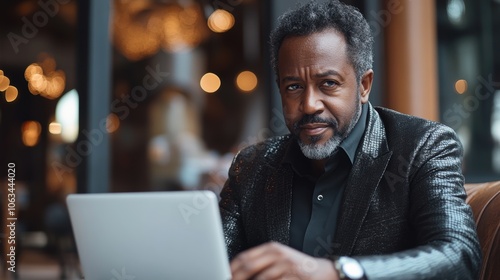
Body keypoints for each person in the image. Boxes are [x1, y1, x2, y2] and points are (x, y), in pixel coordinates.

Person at [219, 0, 482, 279]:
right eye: (293, 87)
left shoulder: (423, 146)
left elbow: (458, 256)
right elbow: (211, 263)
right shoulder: (251, 168)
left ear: (364, 85)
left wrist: (338, 272)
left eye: (328, 84)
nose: (309, 105)